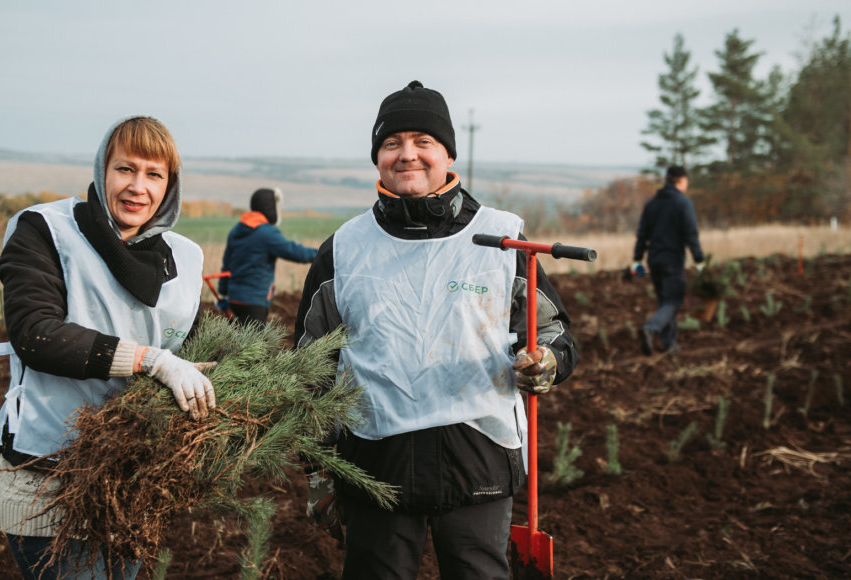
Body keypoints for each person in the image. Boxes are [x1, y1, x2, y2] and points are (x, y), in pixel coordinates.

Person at [293, 80, 579, 580]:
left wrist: (547, 363)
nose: (408, 155)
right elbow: (312, 367)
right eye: (392, 143)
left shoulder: (503, 238)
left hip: (480, 457)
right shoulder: (343, 249)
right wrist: (318, 470)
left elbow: (553, 332)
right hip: (374, 463)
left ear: (448, 155)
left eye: (423, 142)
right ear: (377, 157)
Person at [0, 116, 215, 579]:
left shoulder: (185, 258)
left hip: (130, 481)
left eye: (154, 175)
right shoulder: (47, 230)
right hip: (49, 476)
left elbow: (190, 346)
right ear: (102, 170)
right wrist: (151, 361)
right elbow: (36, 334)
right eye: (125, 169)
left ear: (170, 185)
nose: (138, 187)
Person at [632, 164, 705, 356]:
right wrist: (699, 260)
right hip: (672, 260)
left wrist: (637, 259)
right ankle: (651, 328)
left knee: (665, 302)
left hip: (654, 261)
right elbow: (691, 234)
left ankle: (670, 344)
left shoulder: (652, 204)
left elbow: (642, 235)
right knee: (673, 301)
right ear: (681, 181)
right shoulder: (683, 203)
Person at [218, 187, 318, 326]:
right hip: (254, 300)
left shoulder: (237, 230)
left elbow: (226, 264)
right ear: (270, 207)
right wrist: (319, 254)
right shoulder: (266, 233)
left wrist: (223, 292)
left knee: (240, 340)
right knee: (253, 345)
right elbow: (293, 251)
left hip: (234, 299)